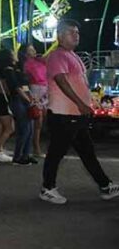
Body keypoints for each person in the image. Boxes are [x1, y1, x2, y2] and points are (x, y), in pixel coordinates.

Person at [39, 20, 119, 204]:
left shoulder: (71, 55)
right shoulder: (57, 56)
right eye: (71, 32)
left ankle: (105, 185)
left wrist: (87, 102)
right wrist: (80, 103)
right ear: (59, 36)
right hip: (64, 114)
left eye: (77, 32)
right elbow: (60, 80)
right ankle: (47, 188)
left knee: (87, 152)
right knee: (56, 152)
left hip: (75, 114)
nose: (76, 35)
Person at [1, 50, 35, 165]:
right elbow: (16, 87)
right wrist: (28, 99)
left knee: (30, 128)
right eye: (13, 53)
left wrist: (30, 97)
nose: (15, 54)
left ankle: (26, 154)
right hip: (17, 100)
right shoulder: (8, 70)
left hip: (25, 98)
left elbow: (24, 85)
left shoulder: (18, 68)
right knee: (24, 129)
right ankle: (18, 156)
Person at [21, 44, 48, 157]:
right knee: (38, 122)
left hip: (45, 89)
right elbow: (24, 82)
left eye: (34, 49)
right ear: (25, 53)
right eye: (30, 50)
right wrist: (30, 96)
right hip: (35, 90)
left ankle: (35, 147)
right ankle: (35, 149)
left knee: (41, 122)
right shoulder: (26, 64)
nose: (34, 51)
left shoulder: (41, 61)